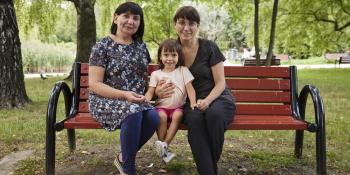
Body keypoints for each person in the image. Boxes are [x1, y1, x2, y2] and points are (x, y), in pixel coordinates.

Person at [155, 6, 236, 175]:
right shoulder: (171, 50)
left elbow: (221, 83)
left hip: (217, 97)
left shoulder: (209, 47)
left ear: (197, 26)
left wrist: (208, 100)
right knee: (195, 121)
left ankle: (207, 169)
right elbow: (162, 77)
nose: (186, 27)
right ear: (175, 24)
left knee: (215, 115)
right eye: (181, 22)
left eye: (191, 23)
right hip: (189, 101)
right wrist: (159, 92)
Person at [88, 2, 160, 175]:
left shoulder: (141, 47)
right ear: (115, 18)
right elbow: (94, 84)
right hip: (105, 100)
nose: (131, 21)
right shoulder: (102, 46)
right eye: (126, 16)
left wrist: (155, 91)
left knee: (153, 118)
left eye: (135, 18)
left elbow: (146, 79)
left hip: (135, 100)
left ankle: (122, 158)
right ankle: (128, 170)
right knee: (134, 112)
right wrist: (125, 95)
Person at [144, 38, 197, 163]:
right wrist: (144, 100)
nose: (170, 58)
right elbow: (150, 92)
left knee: (178, 115)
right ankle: (164, 150)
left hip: (177, 107)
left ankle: (165, 145)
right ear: (160, 57)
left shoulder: (183, 71)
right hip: (161, 107)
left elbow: (190, 89)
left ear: (179, 57)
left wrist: (193, 103)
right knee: (161, 117)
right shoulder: (156, 74)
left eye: (174, 55)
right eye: (166, 54)